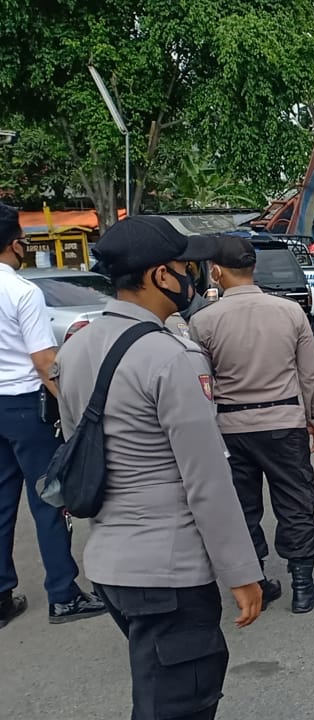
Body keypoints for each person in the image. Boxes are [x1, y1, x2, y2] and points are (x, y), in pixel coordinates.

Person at [53, 217, 262, 718]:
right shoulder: (171, 356)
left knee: (158, 690)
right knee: (179, 703)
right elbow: (206, 480)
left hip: (111, 564)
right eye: (185, 268)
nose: (193, 278)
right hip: (169, 571)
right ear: (159, 275)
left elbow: (79, 444)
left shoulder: (76, 346)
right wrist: (241, 571)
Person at [186, 234, 314, 614]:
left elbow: (201, 381)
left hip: (230, 427)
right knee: (296, 501)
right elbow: (309, 374)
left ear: (216, 272)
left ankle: (257, 582)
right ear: (254, 268)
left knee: (241, 508)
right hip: (284, 421)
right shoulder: (290, 312)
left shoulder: (202, 321)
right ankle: (303, 586)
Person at [0, 203, 106, 628]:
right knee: (48, 498)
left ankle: (1, 595)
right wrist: (74, 409)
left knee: (1, 503)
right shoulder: (22, 291)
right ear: (15, 244)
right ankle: (63, 594)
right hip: (26, 405)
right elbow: (45, 362)